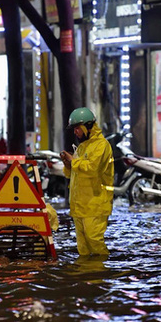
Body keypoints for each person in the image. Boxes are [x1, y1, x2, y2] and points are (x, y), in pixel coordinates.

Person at [60, 107, 114, 256]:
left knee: (94, 241)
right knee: (82, 247)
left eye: (77, 128)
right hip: (80, 206)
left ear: (88, 127)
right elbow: (74, 175)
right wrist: (67, 164)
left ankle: (99, 274)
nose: (75, 132)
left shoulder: (101, 145)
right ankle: (86, 275)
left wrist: (73, 161)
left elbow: (92, 169)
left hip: (95, 204)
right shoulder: (83, 146)